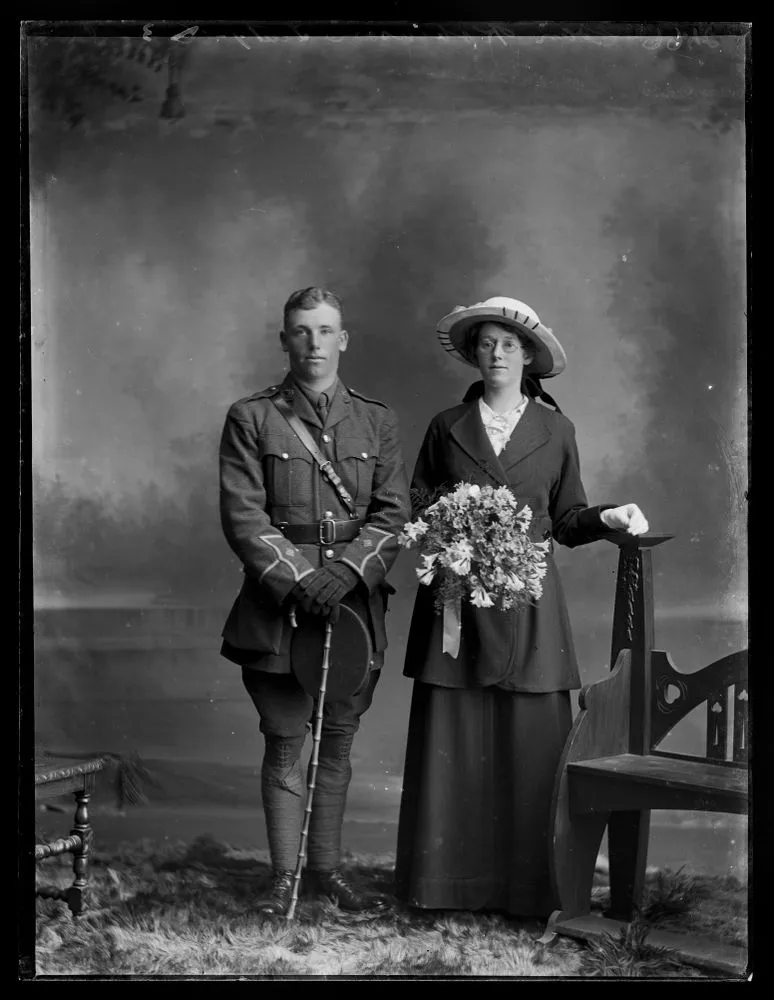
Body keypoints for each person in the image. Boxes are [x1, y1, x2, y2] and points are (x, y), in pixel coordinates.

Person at [394, 296, 649, 922]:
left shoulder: (557, 431)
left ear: (529, 355)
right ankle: (445, 884)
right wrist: (449, 538)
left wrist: (608, 516)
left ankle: (531, 890)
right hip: (456, 604)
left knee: (532, 745)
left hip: (530, 606)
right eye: (487, 342)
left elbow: (566, 519)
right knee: (453, 734)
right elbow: (419, 510)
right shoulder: (445, 425)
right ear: (474, 354)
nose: (499, 352)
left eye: (511, 343)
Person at [219, 286, 410, 916]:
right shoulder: (252, 418)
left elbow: (392, 514)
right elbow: (244, 517)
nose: (314, 343)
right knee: (283, 741)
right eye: (301, 331)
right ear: (284, 340)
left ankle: (326, 871)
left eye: (326, 331)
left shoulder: (377, 420)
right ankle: (283, 877)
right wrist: (300, 580)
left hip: (354, 608)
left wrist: (350, 572)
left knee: (338, 743)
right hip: (279, 612)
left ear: (343, 339)